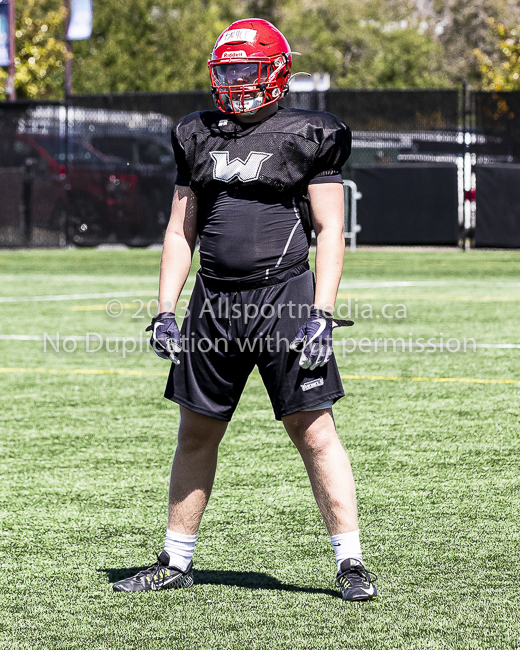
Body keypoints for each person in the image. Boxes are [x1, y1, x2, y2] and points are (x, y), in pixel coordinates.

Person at [113, 18, 377, 601]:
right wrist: (164, 307)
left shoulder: (310, 132)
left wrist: (323, 312)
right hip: (214, 301)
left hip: (284, 297)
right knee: (196, 432)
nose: (234, 83)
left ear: (277, 71)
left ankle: (351, 561)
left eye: (245, 70)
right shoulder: (196, 133)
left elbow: (331, 230)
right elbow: (180, 231)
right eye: (225, 71)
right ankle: (175, 560)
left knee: (313, 430)